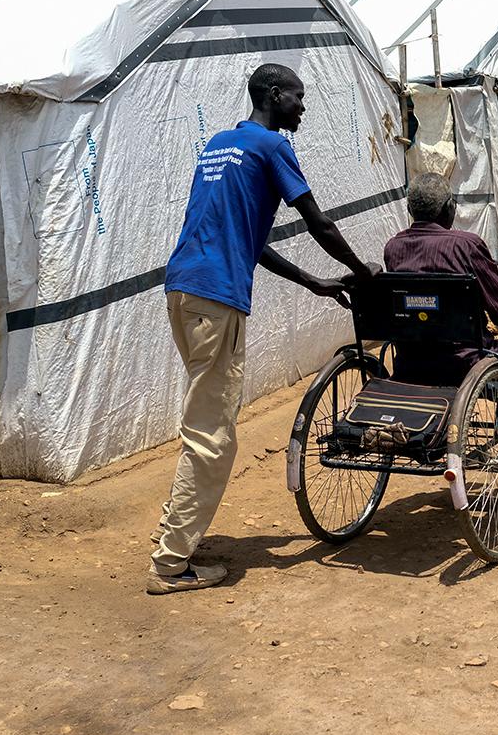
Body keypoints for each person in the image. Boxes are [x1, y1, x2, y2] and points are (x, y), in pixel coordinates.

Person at [148, 63, 379, 595]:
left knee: (204, 420)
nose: (303, 107)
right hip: (217, 298)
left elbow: (244, 236)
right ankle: (171, 563)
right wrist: (364, 273)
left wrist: (314, 282)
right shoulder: (273, 147)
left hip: (183, 290)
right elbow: (316, 220)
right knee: (212, 437)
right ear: (274, 96)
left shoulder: (219, 145)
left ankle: (174, 539)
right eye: (298, 97)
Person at [383, 173, 498, 407]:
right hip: (467, 363)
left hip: (410, 361)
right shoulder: (466, 245)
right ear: (449, 208)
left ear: (410, 209)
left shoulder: (393, 247)